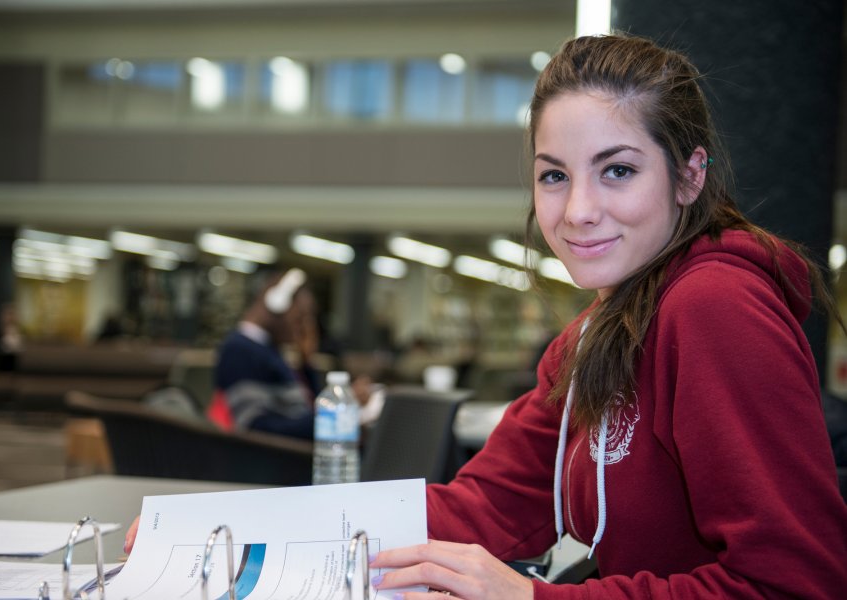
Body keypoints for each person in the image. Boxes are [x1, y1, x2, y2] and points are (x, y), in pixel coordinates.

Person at [125, 34, 847, 598]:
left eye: (617, 170)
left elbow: (793, 583)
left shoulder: (715, 309)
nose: (577, 211)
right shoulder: (597, 335)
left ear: (689, 174)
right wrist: (208, 532)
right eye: (553, 175)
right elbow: (482, 508)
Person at [206, 268, 322, 439]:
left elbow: (303, 408)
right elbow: (255, 429)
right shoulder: (240, 351)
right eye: (299, 320)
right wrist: (329, 419)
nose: (303, 330)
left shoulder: (268, 350)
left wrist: (306, 362)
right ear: (277, 304)